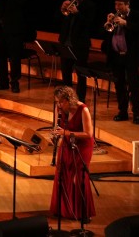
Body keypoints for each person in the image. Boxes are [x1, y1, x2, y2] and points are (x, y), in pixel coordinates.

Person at [50, 85, 96, 222]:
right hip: (66, 143)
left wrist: (67, 133)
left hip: (82, 146)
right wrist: (55, 135)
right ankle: (63, 210)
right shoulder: (58, 108)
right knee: (62, 174)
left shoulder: (83, 110)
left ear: (69, 100)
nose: (58, 105)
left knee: (79, 177)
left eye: (61, 102)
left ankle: (84, 213)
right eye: (57, 102)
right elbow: (57, 127)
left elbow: (88, 134)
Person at [101, 0, 139, 125]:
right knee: (119, 85)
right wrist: (108, 22)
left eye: (120, 4)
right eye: (116, 4)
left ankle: (136, 114)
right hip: (116, 56)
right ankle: (123, 112)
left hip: (130, 57)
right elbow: (107, 34)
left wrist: (126, 23)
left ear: (127, 4)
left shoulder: (137, 15)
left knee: (133, 85)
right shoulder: (114, 17)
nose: (117, 7)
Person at [58, 0, 96, 101]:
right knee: (66, 74)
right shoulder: (68, 4)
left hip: (80, 46)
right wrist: (61, 10)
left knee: (81, 75)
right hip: (66, 44)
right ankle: (67, 99)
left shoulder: (90, 6)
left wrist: (78, 13)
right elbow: (59, 22)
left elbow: (90, 26)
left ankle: (80, 101)